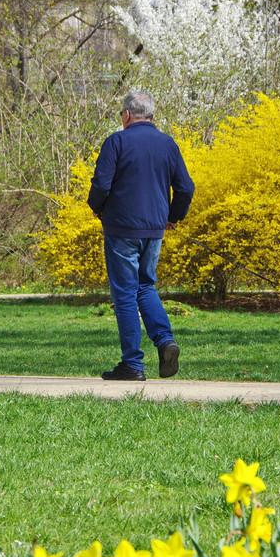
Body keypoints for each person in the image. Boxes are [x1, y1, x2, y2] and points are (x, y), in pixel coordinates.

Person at [88, 91, 195, 381]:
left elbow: (101, 184)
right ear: (151, 115)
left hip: (122, 229)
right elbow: (185, 187)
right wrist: (173, 217)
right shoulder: (168, 144)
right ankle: (164, 340)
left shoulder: (117, 141)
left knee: (124, 293)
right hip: (154, 230)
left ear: (126, 115)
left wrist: (97, 209)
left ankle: (132, 364)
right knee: (145, 287)